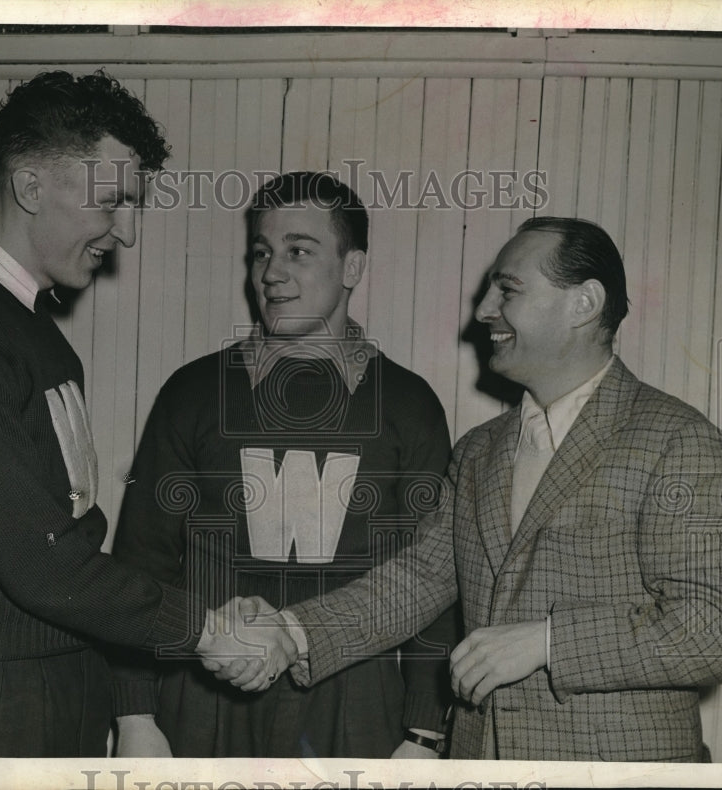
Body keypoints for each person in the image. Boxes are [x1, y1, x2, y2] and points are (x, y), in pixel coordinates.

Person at [0, 69, 294, 759]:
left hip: (46, 690)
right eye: (112, 202)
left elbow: (72, 548)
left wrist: (134, 696)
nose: (128, 232)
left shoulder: (28, 330)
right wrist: (207, 630)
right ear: (31, 187)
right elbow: (44, 564)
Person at [228, 216, 722, 761]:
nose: (483, 310)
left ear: (584, 303)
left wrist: (548, 642)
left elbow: (719, 631)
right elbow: (417, 580)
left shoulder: (680, 442)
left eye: (507, 289)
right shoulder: (481, 449)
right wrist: (292, 630)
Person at [111, 171, 460, 758]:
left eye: (299, 251)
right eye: (262, 253)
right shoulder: (194, 392)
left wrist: (424, 731)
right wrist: (134, 715)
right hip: (202, 701)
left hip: (355, 702)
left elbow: (433, 581)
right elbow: (141, 564)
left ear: (352, 268)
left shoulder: (408, 404)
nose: (272, 273)